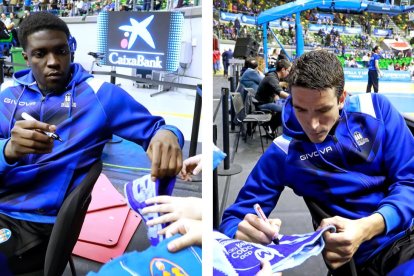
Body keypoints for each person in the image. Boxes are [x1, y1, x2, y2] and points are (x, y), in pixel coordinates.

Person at [0, 12, 184, 273]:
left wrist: (168, 134)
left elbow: (157, 128)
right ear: (26, 57)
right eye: (40, 54)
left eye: (61, 51)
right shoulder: (7, 97)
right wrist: (8, 151)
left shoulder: (100, 96)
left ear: (71, 49)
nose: (53, 62)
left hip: (33, 223)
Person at [220, 50, 414, 275]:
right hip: (356, 259)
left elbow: (409, 181)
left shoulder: (376, 110)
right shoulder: (284, 151)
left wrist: (368, 226)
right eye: (301, 109)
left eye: (323, 110)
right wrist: (241, 233)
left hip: (405, 237)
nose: (312, 125)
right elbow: (233, 219)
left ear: (342, 98)